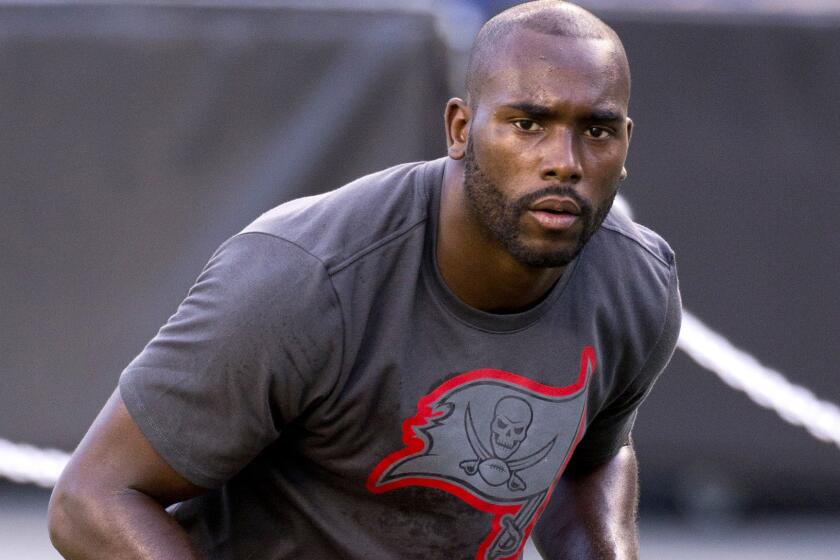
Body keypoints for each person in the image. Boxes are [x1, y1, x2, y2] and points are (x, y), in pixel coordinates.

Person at [48, 1, 681, 559]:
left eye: (595, 131)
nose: (563, 163)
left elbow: (587, 462)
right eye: (527, 124)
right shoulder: (300, 278)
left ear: (625, 144)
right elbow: (91, 500)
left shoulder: (637, 283)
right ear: (461, 130)